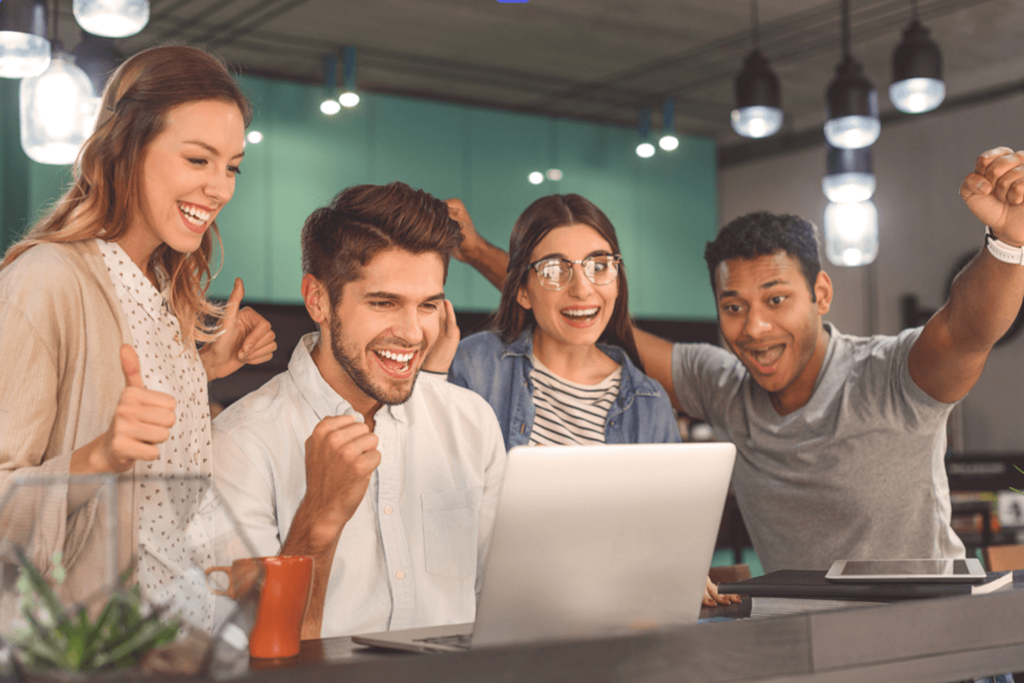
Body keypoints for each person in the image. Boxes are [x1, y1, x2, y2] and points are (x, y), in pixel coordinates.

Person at [447, 148, 1024, 577]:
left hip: (928, 648)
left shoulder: (891, 376)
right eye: (733, 306)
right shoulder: (724, 386)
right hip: (810, 650)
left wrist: (1008, 246)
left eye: (777, 300)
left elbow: (966, 330)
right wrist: (476, 252)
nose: (755, 327)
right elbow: (580, 312)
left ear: (821, 294)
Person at [0, 45, 277, 631]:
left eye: (231, 166)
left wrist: (202, 368)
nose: (220, 188)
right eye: (198, 160)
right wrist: (99, 457)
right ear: (125, 148)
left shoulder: (163, 296)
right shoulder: (45, 281)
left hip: (176, 640)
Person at [212, 182, 506, 639]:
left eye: (428, 305)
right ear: (318, 300)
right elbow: (241, 643)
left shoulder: (471, 423)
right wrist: (318, 518)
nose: (412, 333)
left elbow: (500, 601)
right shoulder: (240, 443)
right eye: (384, 303)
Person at [431, 197, 738, 608]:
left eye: (599, 265)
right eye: (555, 270)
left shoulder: (648, 403)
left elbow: (659, 534)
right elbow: (438, 508)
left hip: (608, 620)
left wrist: (675, 565)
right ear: (522, 290)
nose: (582, 288)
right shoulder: (476, 365)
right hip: (490, 616)